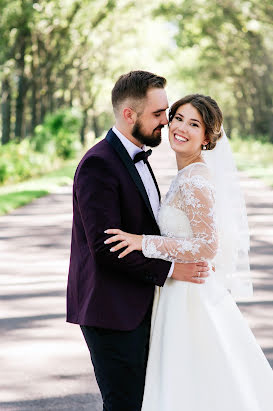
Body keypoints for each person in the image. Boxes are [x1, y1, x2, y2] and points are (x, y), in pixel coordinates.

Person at [105, 94, 273, 410]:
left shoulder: (195, 179)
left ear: (207, 137)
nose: (181, 128)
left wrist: (144, 242)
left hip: (190, 296)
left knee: (192, 381)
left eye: (193, 124)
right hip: (176, 290)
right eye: (178, 118)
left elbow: (208, 245)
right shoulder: (186, 174)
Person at [66, 72, 210, 411]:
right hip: (112, 311)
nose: (166, 121)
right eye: (158, 114)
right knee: (125, 403)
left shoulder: (141, 157)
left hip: (142, 305)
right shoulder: (99, 164)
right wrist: (173, 270)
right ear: (129, 115)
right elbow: (106, 249)